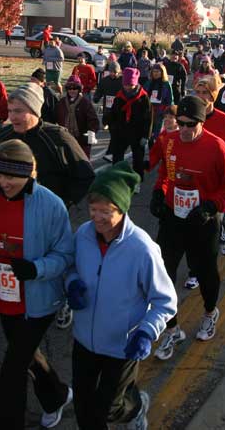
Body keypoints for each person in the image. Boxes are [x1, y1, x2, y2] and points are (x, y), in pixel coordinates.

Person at [0, 140, 74, 429]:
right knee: (25, 355)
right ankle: (56, 396)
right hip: (5, 297)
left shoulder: (51, 204)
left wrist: (36, 269)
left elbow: (65, 255)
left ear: (28, 174)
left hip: (38, 301)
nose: (4, 182)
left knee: (12, 369)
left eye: (10, 176)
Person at [67, 161, 177, 429]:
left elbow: (166, 301)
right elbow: (69, 267)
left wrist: (146, 332)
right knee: (83, 406)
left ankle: (135, 407)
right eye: (93, 210)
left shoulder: (141, 248)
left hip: (123, 344)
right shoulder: (83, 235)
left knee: (108, 408)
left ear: (122, 209)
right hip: (84, 339)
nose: (97, 218)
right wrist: (71, 283)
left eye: (106, 211)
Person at [150, 96, 225, 360]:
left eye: (191, 125)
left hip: (202, 219)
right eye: (180, 123)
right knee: (163, 271)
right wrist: (159, 193)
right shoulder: (168, 141)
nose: (184, 130)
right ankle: (172, 329)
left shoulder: (218, 148)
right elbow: (165, 175)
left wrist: (211, 206)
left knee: (206, 273)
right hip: (173, 218)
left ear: (201, 123)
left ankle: (210, 311)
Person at [0, 82, 95, 209]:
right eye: (10, 111)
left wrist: (62, 204)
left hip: (48, 215)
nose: (11, 117)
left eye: (18, 111)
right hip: (8, 212)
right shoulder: (1, 138)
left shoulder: (58, 137)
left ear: (34, 111)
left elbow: (85, 176)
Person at [193, 74, 225, 257]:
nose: (200, 96)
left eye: (205, 92)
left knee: (214, 219)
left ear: (213, 95)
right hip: (193, 179)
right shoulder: (190, 118)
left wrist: (223, 160)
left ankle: (222, 231)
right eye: (197, 92)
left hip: (217, 180)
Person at [107, 68, 152, 186]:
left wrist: (145, 135)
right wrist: (111, 125)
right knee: (117, 157)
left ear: (136, 83)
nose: (128, 87)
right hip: (121, 131)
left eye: (131, 85)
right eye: (126, 85)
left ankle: (137, 181)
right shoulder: (120, 95)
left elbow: (148, 118)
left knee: (138, 159)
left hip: (137, 132)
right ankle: (117, 178)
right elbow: (114, 113)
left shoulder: (143, 97)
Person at [56, 75, 100, 159]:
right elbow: (56, 118)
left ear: (79, 89)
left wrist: (92, 132)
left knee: (83, 163)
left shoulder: (85, 103)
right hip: (66, 139)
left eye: (75, 88)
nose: (72, 90)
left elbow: (93, 120)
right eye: (69, 88)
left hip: (82, 140)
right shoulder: (61, 103)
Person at [145, 63, 174, 146]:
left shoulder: (166, 84)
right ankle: (151, 151)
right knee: (149, 132)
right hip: (149, 111)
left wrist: (168, 112)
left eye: (158, 71)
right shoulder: (149, 83)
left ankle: (158, 150)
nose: (156, 73)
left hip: (160, 112)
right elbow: (143, 95)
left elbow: (170, 99)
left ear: (162, 72)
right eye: (154, 71)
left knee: (158, 133)